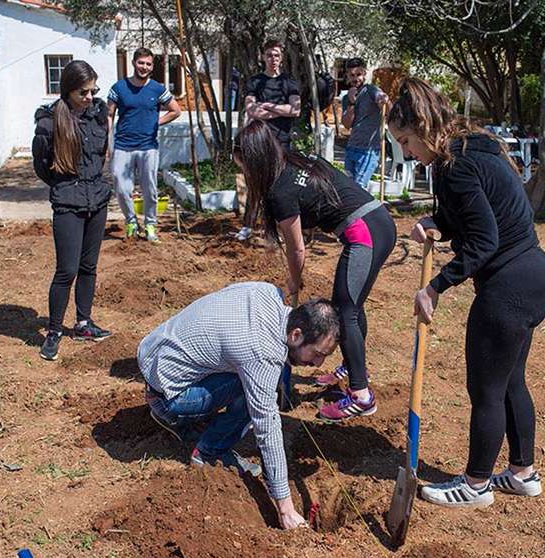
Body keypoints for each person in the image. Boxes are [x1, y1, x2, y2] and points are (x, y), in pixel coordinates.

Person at [386, 78, 545, 508]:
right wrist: (438, 220)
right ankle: (522, 473)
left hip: (509, 286)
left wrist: (435, 287)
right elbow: (474, 214)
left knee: (485, 388)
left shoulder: (456, 165)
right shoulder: (468, 147)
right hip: (534, 275)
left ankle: (476, 484)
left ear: (423, 127)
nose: (406, 152)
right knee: (509, 379)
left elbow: (484, 240)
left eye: (406, 141)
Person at [138, 282, 339, 530]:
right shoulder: (261, 354)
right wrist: (285, 509)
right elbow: (267, 426)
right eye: (317, 353)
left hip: (154, 356)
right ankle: (208, 452)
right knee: (258, 389)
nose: (318, 364)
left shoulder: (266, 292)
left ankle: (187, 417)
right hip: (169, 394)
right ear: (295, 335)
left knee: (255, 381)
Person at [233, 120, 397, 422]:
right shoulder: (294, 160)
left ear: (255, 162)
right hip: (377, 221)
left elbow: (297, 249)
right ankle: (352, 367)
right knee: (351, 303)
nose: (244, 175)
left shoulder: (279, 190)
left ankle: (361, 395)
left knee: (344, 309)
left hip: (365, 231)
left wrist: (293, 284)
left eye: (244, 168)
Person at [32, 60, 113, 361]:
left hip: (97, 199)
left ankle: (83, 322)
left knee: (88, 267)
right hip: (68, 202)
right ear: (68, 91)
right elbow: (41, 165)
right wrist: (64, 185)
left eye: (93, 90)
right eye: (84, 92)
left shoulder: (98, 113)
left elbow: (101, 152)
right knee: (66, 270)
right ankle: (53, 331)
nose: (90, 97)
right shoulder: (50, 122)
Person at [107, 47, 181, 241]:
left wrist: (156, 122)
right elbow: (109, 114)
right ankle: (131, 220)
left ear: (152, 66)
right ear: (133, 63)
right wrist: (108, 143)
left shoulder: (157, 89)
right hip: (123, 145)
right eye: (141, 63)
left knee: (150, 188)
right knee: (121, 187)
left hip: (148, 146)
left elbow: (175, 110)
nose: (144, 67)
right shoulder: (119, 88)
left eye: (148, 64)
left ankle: (150, 225)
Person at [244, 39, 301, 151]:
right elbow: (252, 111)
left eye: (276, 55)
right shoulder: (254, 82)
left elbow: (295, 110)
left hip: (282, 140)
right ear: (263, 57)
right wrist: (283, 112)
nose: (273, 59)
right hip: (260, 139)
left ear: (281, 58)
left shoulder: (290, 82)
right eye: (269, 55)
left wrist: (266, 106)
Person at [341, 58, 388, 188]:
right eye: (352, 75)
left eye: (359, 74)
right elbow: (346, 124)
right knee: (348, 188)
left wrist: (382, 100)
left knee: (359, 189)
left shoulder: (371, 90)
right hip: (351, 148)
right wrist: (351, 102)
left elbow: (380, 98)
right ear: (347, 76)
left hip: (369, 150)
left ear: (364, 73)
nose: (356, 78)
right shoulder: (346, 98)